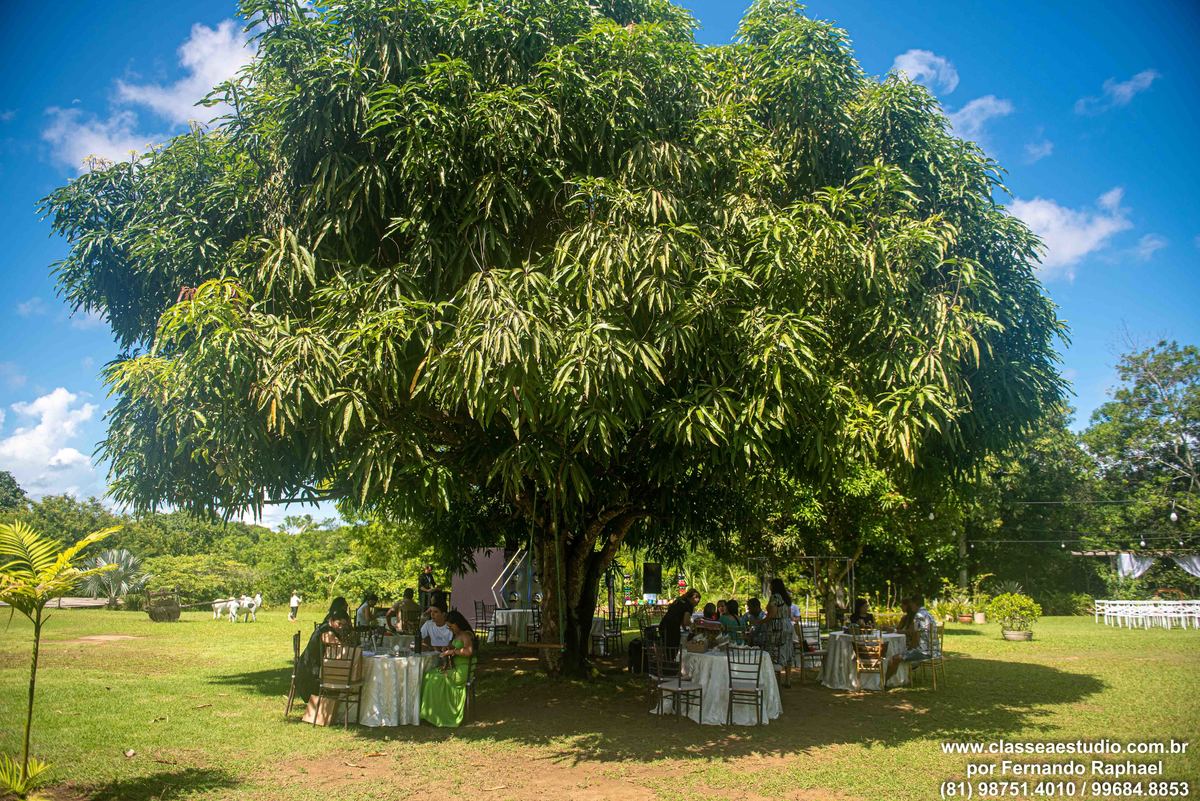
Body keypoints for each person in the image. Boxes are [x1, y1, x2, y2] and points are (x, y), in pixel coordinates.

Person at [420, 609, 476, 727]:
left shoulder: (466, 635)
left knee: (434, 681)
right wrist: (447, 648)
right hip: (454, 667)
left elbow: (468, 651)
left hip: (461, 670)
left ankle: (440, 715)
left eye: (451, 626)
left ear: (457, 623)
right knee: (429, 675)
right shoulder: (457, 635)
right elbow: (453, 646)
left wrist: (452, 651)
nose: (450, 629)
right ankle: (428, 713)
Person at [296, 611, 351, 703]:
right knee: (345, 675)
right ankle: (333, 705)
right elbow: (341, 648)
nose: (341, 627)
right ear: (331, 620)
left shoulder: (323, 627)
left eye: (343, 625)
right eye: (339, 623)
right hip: (310, 672)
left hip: (310, 665)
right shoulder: (327, 632)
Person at [887, 595, 935, 681]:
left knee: (895, 658)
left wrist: (907, 651)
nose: (910, 606)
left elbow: (916, 637)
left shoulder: (918, 616)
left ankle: (884, 682)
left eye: (911, 603)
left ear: (915, 604)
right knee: (898, 655)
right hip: (933, 650)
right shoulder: (929, 614)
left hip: (923, 652)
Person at [765, 578, 797, 683]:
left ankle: (775, 680)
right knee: (787, 650)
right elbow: (789, 614)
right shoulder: (786, 598)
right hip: (787, 625)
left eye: (771, 585)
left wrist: (761, 622)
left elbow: (772, 614)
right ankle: (788, 680)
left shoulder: (775, 597)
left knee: (775, 651)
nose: (769, 587)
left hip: (776, 627)